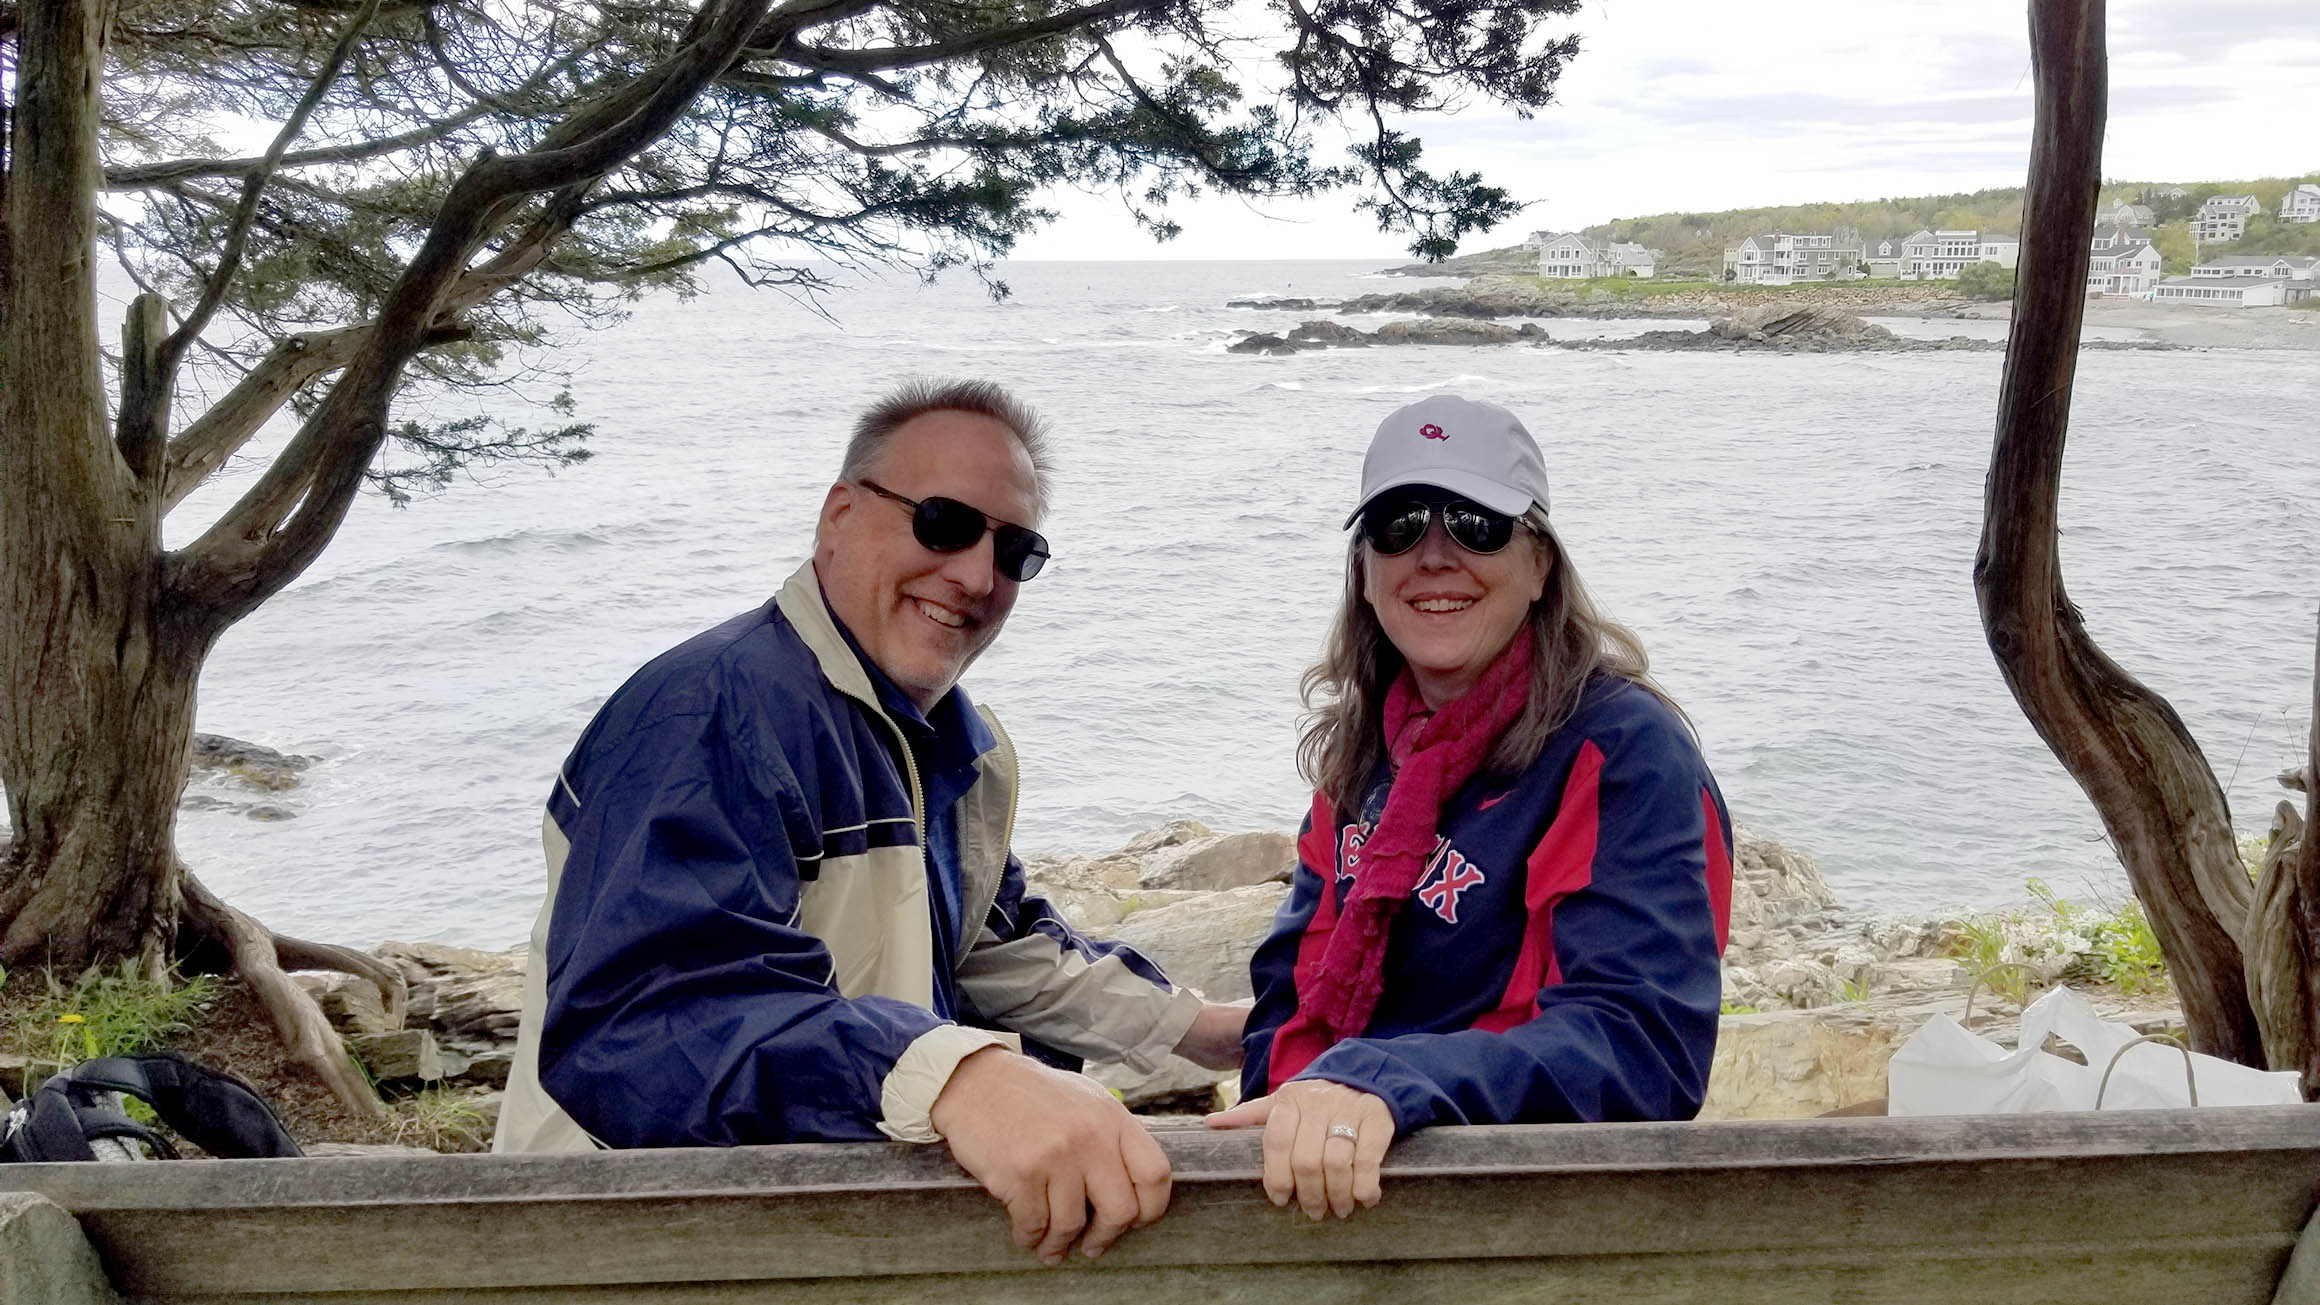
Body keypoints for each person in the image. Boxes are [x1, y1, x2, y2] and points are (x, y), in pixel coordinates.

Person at [496, 379, 1247, 1266]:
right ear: (839, 516)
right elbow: (644, 1020)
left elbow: (991, 945)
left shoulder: (956, 747)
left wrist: (1205, 1027)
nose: (975, 574)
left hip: (825, 1233)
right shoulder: (711, 713)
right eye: (942, 522)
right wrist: (962, 1078)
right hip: (633, 1247)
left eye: (1014, 549)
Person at [1206, 394, 1732, 1220]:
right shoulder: (1367, 747)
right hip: (1329, 1179)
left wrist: (1384, 1081)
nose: (1435, 556)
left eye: (1478, 524)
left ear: (1540, 566)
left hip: (1511, 1202)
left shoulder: (1622, 749)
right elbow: (1292, 976)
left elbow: (1642, 1043)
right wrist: (1284, 1110)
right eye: (1400, 524)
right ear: (1365, 572)